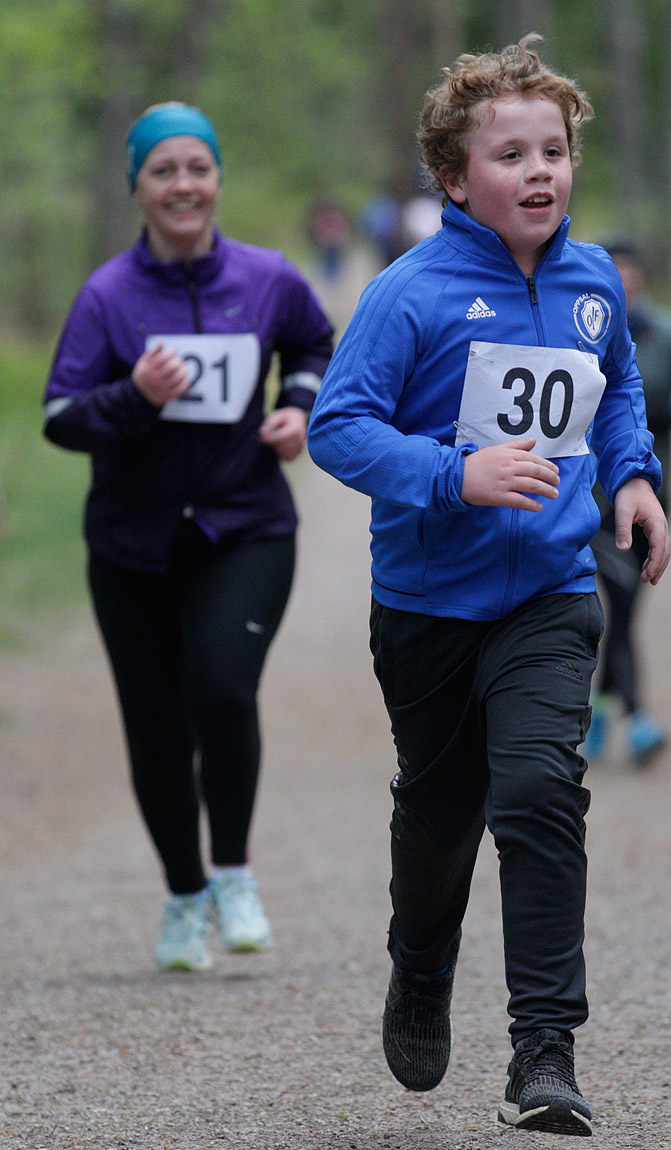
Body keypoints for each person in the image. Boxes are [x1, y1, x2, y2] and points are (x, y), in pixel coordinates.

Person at [308, 37, 670, 1136]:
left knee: (538, 790)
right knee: (439, 812)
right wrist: (451, 475)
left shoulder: (591, 279)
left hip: (551, 591)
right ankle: (421, 968)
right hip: (427, 605)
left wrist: (633, 475)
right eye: (509, 155)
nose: (538, 171)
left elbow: (614, 388)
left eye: (552, 150)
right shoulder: (408, 294)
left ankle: (544, 1051)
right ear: (455, 178)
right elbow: (338, 427)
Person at [43, 103, 333, 971]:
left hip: (246, 526)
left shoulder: (268, 277)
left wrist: (297, 407)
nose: (183, 185)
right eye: (163, 170)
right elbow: (60, 417)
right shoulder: (108, 295)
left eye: (197, 169)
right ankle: (183, 894)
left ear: (218, 180)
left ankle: (234, 872)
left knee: (221, 688)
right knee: (156, 726)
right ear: (136, 187)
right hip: (132, 545)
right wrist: (135, 395)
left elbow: (315, 346)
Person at [585, 237, 671, 766]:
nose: (622, 277)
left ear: (642, 275)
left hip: (655, 494)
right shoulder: (580, 326)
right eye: (613, 268)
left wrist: (667, 413)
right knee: (619, 601)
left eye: (629, 268)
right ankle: (639, 717)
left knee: (625, 610)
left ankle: (601, 711)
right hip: (593, 497)